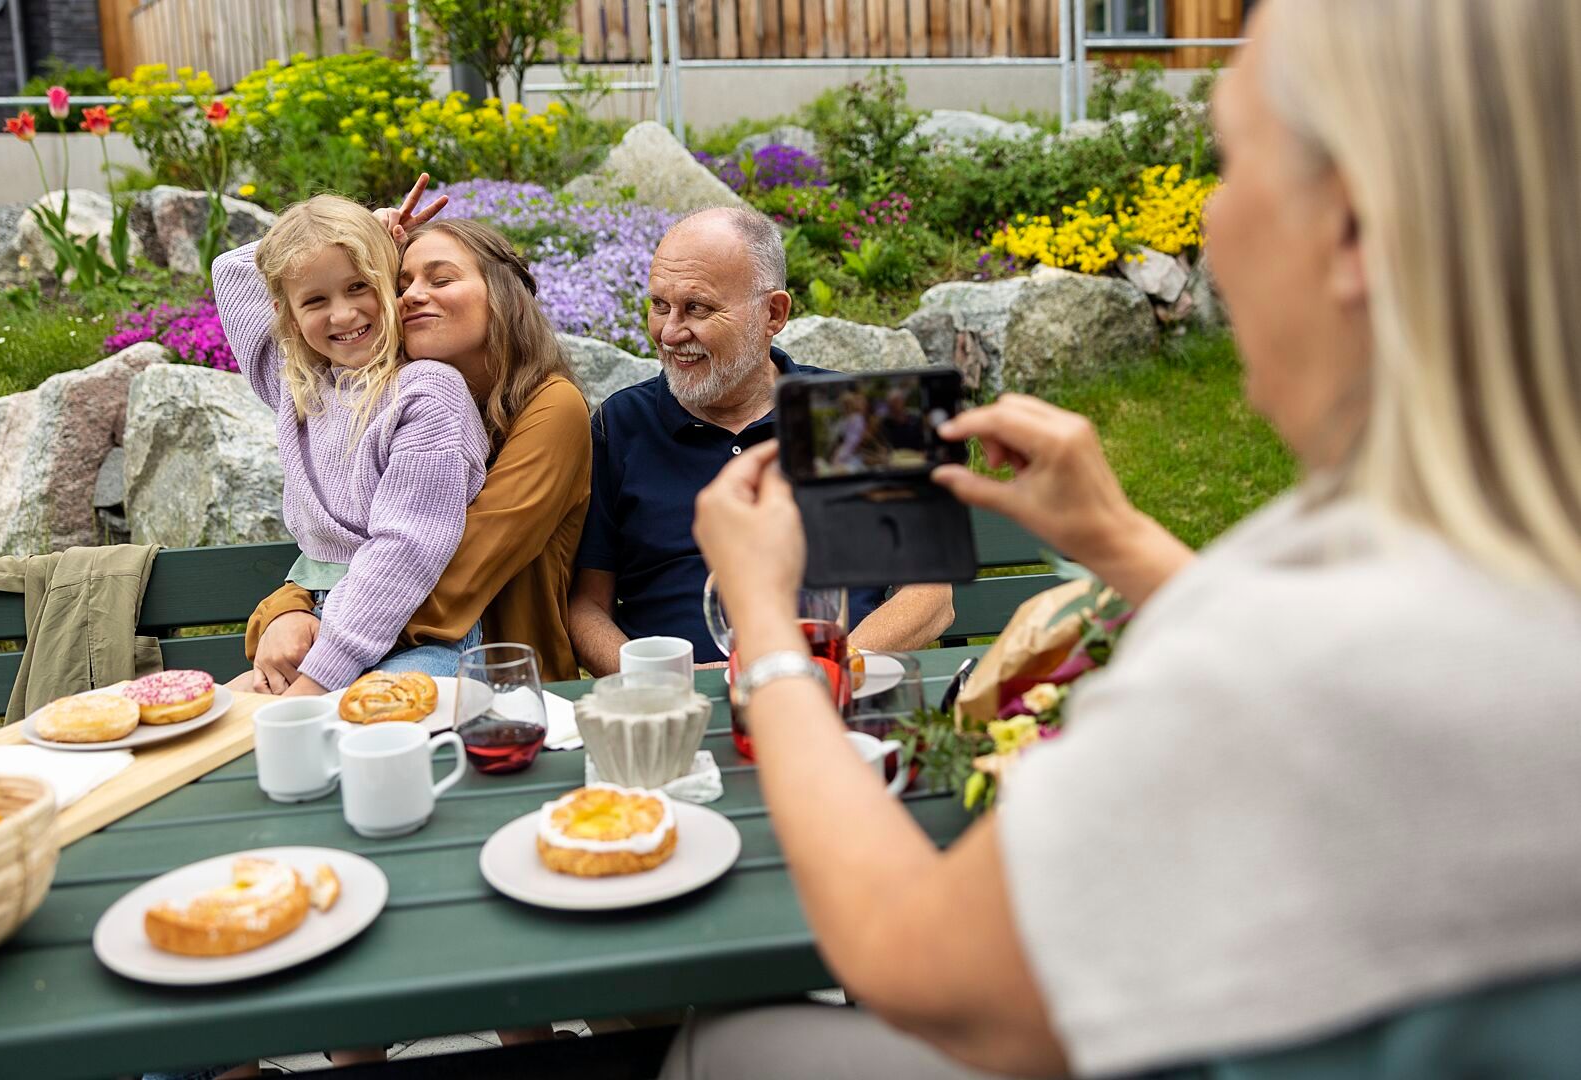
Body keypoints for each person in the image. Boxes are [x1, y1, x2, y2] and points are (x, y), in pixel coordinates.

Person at [667, 1, 1581, 1076]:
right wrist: (1119, 542)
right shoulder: (1479, 579)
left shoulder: (1308, 674)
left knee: (725, 1043)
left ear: (1352, 232)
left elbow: (916, 964)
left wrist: (769, 627)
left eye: (1230, 167)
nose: (1209, 227)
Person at [567, 208, 953, 672]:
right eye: (659, 305)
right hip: (683, 707)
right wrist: (665, 681)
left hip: (842, 694)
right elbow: (586, 606)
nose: (669, 333)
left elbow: (932, 595)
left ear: (773, 313)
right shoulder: (619, 425)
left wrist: (825, 670)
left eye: (698, 308)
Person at [239, 184, 592, 688]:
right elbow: (241, 280)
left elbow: (447, 571)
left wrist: (295, 614)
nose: (413, 295)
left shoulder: (549, 406)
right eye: (398, 283)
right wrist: (343, 239)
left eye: (441, 278)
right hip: (370, 647)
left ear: (503, 292)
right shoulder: (386, 395)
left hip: (501, 678)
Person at [212, 194, 489, 695]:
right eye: (315, 300)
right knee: (223, 725)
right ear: (288, 315)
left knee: (345, 724)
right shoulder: (297, 384)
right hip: (312, 625)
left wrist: (319, 678)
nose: (342, 315)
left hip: (418, 638)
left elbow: (404, 551)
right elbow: (232, 271)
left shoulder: (427, 394)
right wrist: (367, 228)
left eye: (359, 286)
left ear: (387, 283)